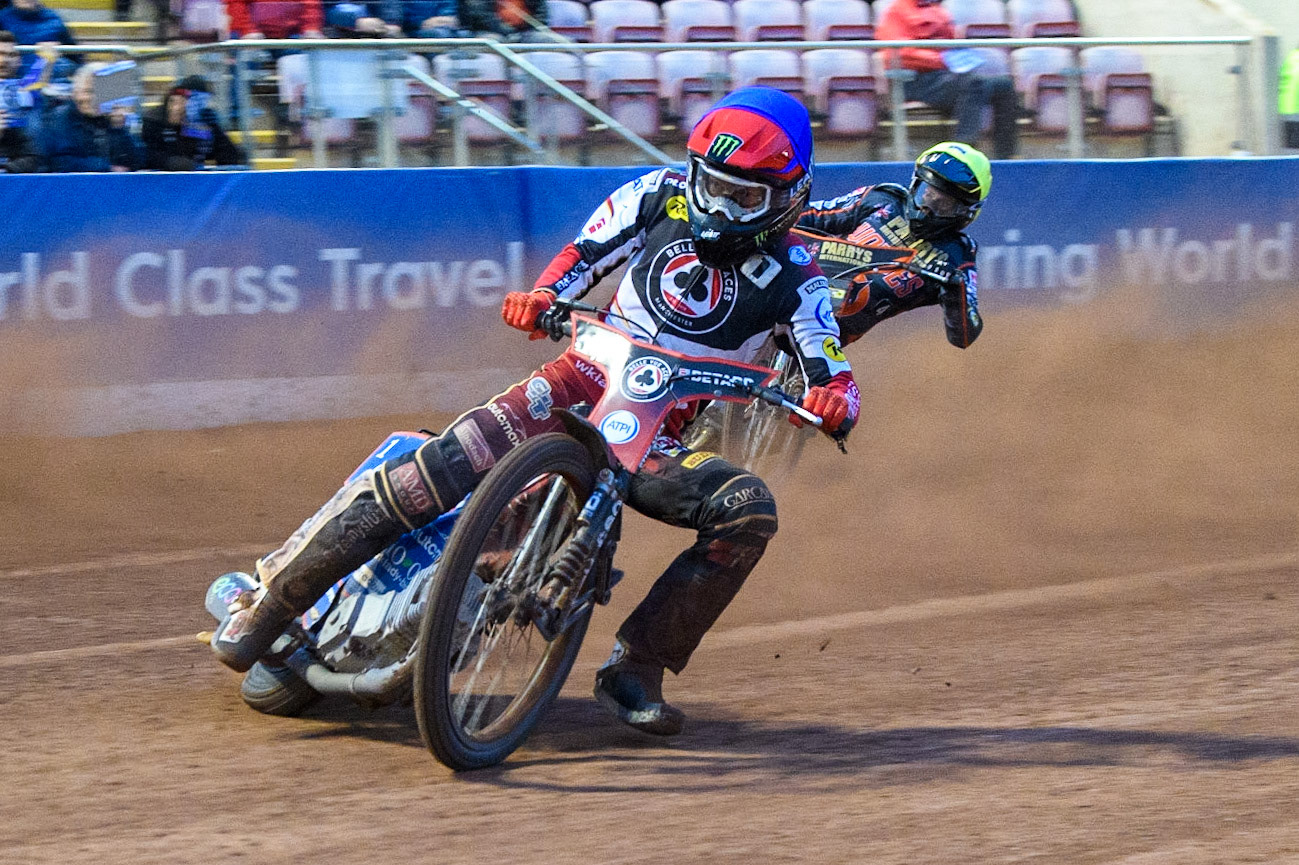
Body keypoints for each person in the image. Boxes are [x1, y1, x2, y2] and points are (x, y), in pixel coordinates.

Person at [209, 86, 859, 736]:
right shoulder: (656, 195)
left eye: (743, 197)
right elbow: (583, 255)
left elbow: (834, 373)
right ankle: (267, 607)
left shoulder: (800, 280)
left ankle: (638, 665)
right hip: (576, 381)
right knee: (432, 469)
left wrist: (832, 402)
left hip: (657, 436)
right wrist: (542, 295)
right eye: (711, 186)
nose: (719, 207)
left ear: (790, 195)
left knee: (747, 510)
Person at [797, 141, 988, 349]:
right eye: (927, 193)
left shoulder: (957, 255)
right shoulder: (884, 198)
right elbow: (810, 216)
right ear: (915, 184)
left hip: (832, 332)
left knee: (821, 378)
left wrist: (954, 289)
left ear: (966, 212)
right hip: (800, 281)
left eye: (942, 205)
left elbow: (965, 336)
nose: (927, 207)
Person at [875, 0, 1019, 160]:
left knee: (1004, 86)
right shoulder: (897, 11)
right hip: (914, 81)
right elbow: (895, 54)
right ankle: (963, 154)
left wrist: (958, 56)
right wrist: (940, 59)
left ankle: (1006, 156)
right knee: (972, 83)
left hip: (944, 77)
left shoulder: (937, 9)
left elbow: (949, 43)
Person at [38, 61, 142, 172]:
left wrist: (119, 129)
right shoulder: (59, 119)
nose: (94, 98)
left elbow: (137, 162)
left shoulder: (114, 119)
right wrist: (106, 168)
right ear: (75, 92)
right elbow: (60, 163)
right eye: (88, 91)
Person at [142, 74, 245, 170]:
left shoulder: (204, 119)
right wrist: (171, 162)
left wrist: (215, 129)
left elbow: (226, 151)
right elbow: (147, 154)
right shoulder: (154, 120)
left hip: (193, 179)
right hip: (161, 180)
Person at [0, 0, 77, 81]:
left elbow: (76, 59)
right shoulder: (2, 19)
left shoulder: (55, 20)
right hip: (12, 82)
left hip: (50, 84)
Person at [326, 0, 462, 38]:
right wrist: (356, 21)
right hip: (339, 37)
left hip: (379, 35)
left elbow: (392, 12)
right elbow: (328, 10)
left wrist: (392, 23)